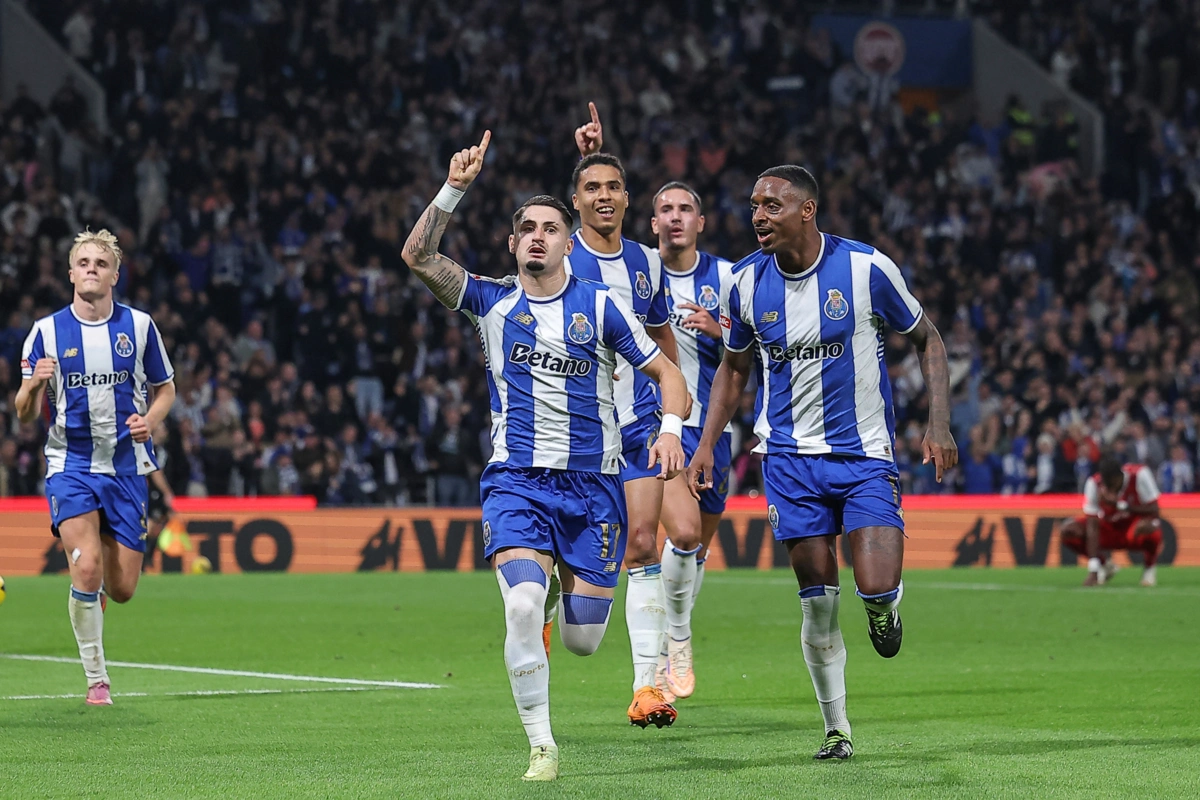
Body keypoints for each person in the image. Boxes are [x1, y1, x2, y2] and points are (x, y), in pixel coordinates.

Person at [401, 131, 689, 781]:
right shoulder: (491, 300)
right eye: (526, 228)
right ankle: (542, 745)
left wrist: (671, 429)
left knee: (583, 640)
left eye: (550, 228)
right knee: (522, 607)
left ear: (568, 243)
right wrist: (452, 190)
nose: (537, 237)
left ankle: (564, 592)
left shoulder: (602, 308)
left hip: (594, 488)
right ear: (513, 244)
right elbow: (418, 256)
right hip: (518, 482)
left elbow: (669, 373)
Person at [686, 166, 957, 760]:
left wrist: (938, 423)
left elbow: (928, 338)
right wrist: (706, 443)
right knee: (818, 600)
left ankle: (883, 612)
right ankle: (837, 729)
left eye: (772, 205)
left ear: (806, 210)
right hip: (788, 461)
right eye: (754, 205)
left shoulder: (866, 269)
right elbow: (734, 367)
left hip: (863, 455)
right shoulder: (744, 283)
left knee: (875, 586)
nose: (758, 216)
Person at [14, 229, 176, 705]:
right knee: (86, 570)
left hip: (126, 468)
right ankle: (97, 680)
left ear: (115, 275)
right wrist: (32, 387)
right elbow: (24, 414)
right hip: (71, 465)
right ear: (71, 273)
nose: (91, 269)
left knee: (122, 589)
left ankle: (96, 593)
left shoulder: (140, 327)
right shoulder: (45, 333)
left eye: (100, 264)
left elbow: (166, 389)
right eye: (83, 262)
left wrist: (149, 421)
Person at [568, 103, 687, 728]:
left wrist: (673, 421)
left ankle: (647, 687)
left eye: (614, 187)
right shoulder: (561, 258)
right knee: (574, 563)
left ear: (628, 198)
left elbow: (664, 344)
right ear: (577, 201)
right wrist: (587, 155)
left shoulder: (646, 262)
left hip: (638, 420)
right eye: (593, 188)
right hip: (576, 427)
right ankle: (545, 609)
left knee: (644, 542)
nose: (605, 197)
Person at [648, 180, 735, 702]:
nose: (675, 217)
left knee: (697, 547)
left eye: (685, 209)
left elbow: (764, 345)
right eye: (666, 209)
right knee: (679, 535)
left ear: (700, 222)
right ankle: (669, 643)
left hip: (712, 432)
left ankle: (668, 646)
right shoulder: (638, 271)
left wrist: (723, 332)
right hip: (657, 426)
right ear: (653, 222)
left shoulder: (727, 278)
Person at [1060, 456, 1162, 587]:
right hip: (1108, 530)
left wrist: (1119, 505)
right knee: (1068, 531)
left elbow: (1155, 510)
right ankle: (1104, 565)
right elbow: (1092, 524)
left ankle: (1149, 568)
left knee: (1150, 527)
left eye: (1111, 485)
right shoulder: (1094, 484)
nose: (1109, 489)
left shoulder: (1139, 475)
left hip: (1132, 529)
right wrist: (1093, 569)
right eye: (1106, 485)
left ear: (1120, 477)